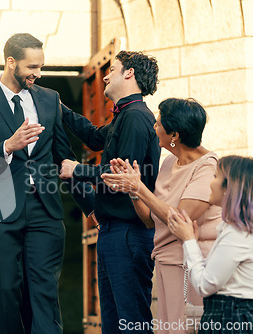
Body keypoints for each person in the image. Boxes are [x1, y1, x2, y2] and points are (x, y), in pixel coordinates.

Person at [0, 33, 77, 334]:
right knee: (3, 292)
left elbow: (64, 154)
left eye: (41, 66)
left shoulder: (50, 99)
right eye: (32, 67)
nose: (38, 74)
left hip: (45, 212)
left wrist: (91, 206)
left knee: (44, 293)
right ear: (11, 62)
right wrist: (7, 147)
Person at [59, 51, 160, 333]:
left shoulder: (137, 118)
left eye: (112, 69)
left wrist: (76, 170)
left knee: (131, 323)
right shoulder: (124, 116)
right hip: (113, 233)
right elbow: (93, 138)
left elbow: (123, 179)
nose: (105, 74)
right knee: (114, 325)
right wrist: (58, 107)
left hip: (128, 234)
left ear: (129, 74)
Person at [101, 98, 222, 333]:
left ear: (174, 134)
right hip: (166, 263)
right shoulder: (168, 163)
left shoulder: (208, 167)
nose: (153, 128)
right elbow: (150, 219)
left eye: (158, 124)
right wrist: (133, 192)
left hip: (193, 266)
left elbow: (180, 218)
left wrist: (139, 188)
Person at [168, 155, 253, 334]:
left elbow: (204, 285)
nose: (210, 182)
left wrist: (189, 240)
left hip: (229, 316)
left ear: (228, 187)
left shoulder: (237, 233)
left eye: (215, 176)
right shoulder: (235, 230)